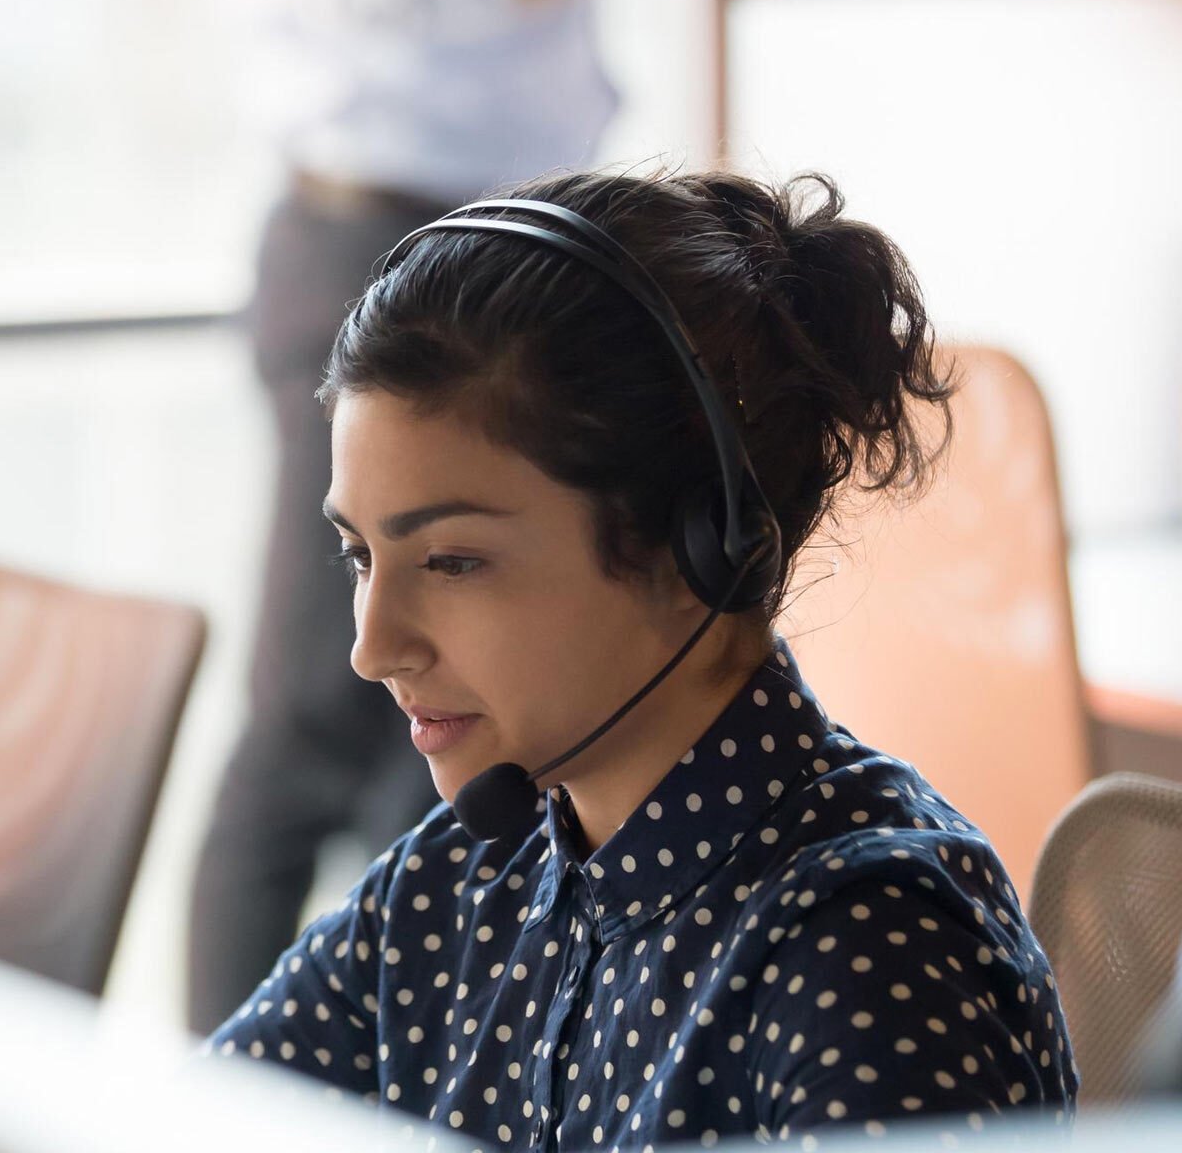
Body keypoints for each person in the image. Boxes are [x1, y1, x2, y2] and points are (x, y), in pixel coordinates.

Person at [206, 167, 1079, 1146]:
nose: (373, 648)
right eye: (361, 555)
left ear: (698, 546)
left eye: (453, 561)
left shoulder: (869, 952)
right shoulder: (453, 887)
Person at [187, 0, 623, 1035]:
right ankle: (214, 1101)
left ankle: (403, 1079)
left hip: (505, 247)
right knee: (308, 712)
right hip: (368, 240)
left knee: (441, 728)